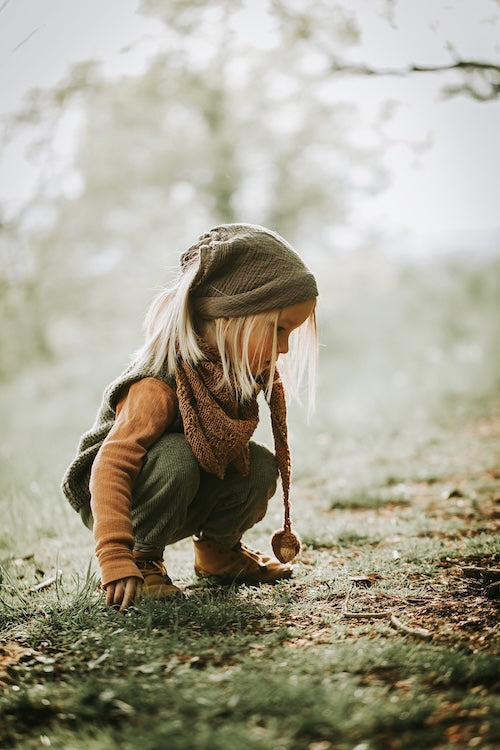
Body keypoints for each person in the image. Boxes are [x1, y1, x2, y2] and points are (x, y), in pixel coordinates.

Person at [62, 223, 318, 612]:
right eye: (278, 330)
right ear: (232, 317)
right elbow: (109, 467)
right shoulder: (157, 384)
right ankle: (143, 559)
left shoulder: (229, 370)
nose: (283, 348)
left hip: (180, 486)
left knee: (261, 465)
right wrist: (115, 554)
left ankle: (218, 553)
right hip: (118, 500)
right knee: (178, 455)